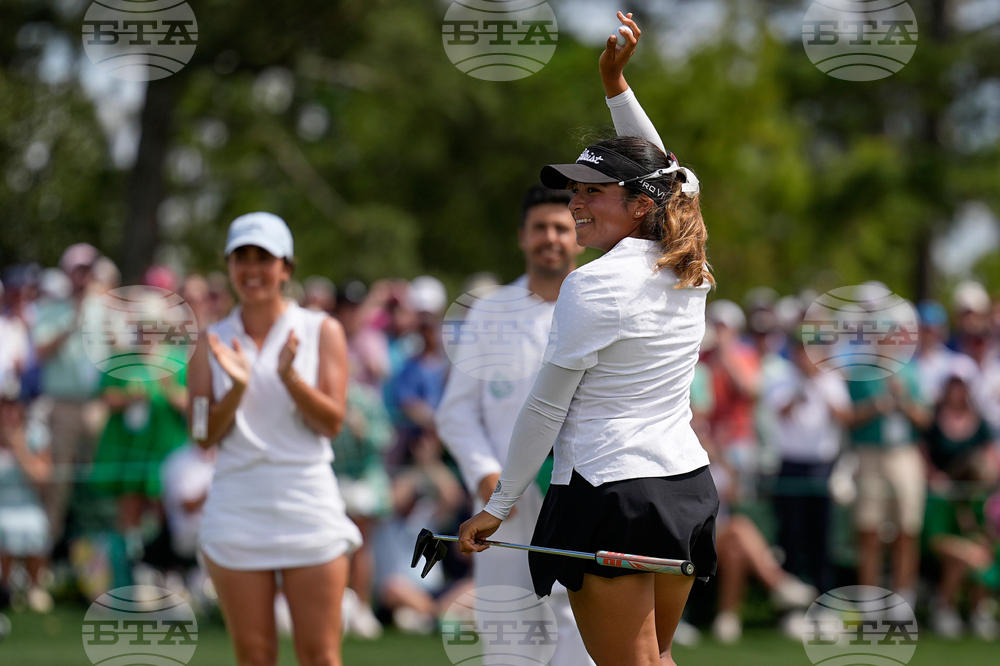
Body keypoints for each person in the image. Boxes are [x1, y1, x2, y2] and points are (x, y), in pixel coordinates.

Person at [459, 15, 718, 665]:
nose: (576, 204)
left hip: (611, 494)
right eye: (575, 191)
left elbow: (545, 408)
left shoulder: (592, 283)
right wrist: (615, 84)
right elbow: (666, 172)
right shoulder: (689, 262)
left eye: (593, 193)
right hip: (684, 488)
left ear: (639, 204)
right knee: (656, 658)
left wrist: (498, 505)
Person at [188, 212, 362, 666]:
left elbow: (332, 422)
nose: (252, 269)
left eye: (263, 258)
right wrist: (237, 389)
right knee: (254, 656)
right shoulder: (209, 342)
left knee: (321, 656)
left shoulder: (321, 329)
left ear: (286, 267)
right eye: (241, 257)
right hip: (236, 507)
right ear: (228, 266)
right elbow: (201, 434)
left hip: (308, 501)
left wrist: (290, 378)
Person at [436, 183, 592, 665]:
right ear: (522, 236)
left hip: (583, 497)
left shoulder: (598, 302)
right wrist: (486, 475)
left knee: (586, 641)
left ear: (578, 234)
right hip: (506, 507)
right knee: (510, 642)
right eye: (540, 228)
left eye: (562, 228)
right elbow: (456, 412)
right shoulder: (490, 312)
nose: (551, 238)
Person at [0, 381, 54, 613]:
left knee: (37, 526)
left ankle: (34, 587)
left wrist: (19, 446)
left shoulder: (35, 435)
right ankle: (5, 588)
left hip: (28, 504)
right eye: (5, 406)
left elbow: (42, 477)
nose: (9, 412)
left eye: (14, 406)